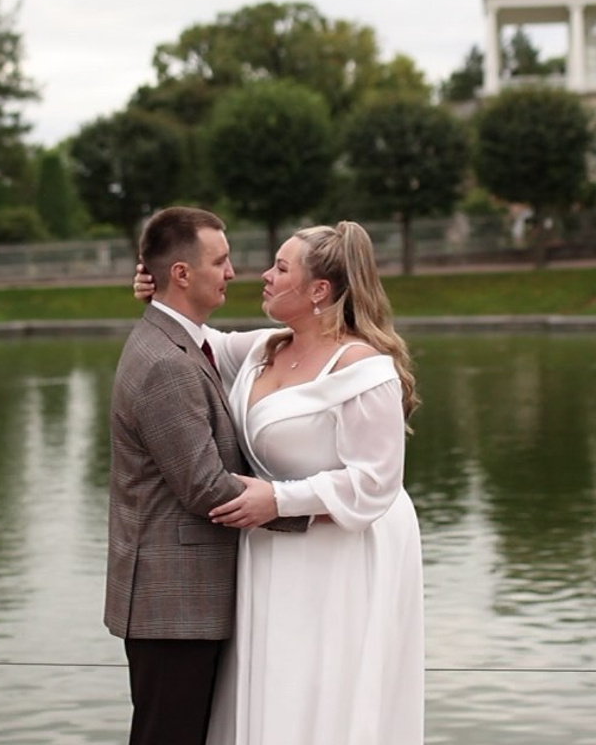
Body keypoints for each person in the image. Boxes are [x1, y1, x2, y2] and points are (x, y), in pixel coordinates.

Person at [135, 221, 425, 745]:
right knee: (273, 683)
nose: (263, 276)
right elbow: (200, 342)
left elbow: (378, 481)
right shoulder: (263, 348)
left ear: (319, 290)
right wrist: (162, 289)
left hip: (340, 554)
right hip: (271, 550)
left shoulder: (363, 369)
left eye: (281, 268)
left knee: (324, 687)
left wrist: (279, 499)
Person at [106, 206, 305, 745]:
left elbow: (262, 343)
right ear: (182, 274)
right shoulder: (166, 362)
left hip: (177, 603)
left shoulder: (179, 340)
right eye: (221, 260)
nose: (233, 272)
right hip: (174, 605)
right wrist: (312, 508)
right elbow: (204, 487)